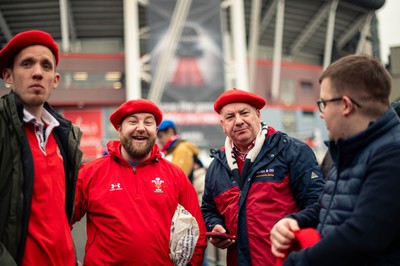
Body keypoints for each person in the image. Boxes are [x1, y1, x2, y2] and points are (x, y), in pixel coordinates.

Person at [270, 55, 400, 266]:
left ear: (346, 105)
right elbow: (327, 205)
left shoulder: (391, 154)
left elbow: (362, 236)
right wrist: (293, 221)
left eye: (324, 104)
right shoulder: (353, 148)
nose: (322, 114)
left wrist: (296, 262)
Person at [72, 99, 207, 265]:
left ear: (155, 130)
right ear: (119, 128)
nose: (141, 128)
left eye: (148, 122)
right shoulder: (90, 173)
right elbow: (59, 219)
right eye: (133, 121)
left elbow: (197, 233)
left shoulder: (175, 175)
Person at [201, 88, 325, 266]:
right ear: (222, 125)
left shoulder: (292, 151)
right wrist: (215, 226)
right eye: (230, 117)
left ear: (258, 115)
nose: (238, 121)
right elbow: (208, 209)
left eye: (244, 113)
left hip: (286, 261)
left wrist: (292, 223)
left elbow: (319, 203)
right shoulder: (216, 167)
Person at [0, 30, 83, 265]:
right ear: (8, 75)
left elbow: (58, 218)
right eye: (27, 64)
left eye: (46, 66)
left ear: (55, 80)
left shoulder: (65, 137)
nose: (37, 72)